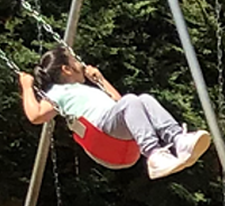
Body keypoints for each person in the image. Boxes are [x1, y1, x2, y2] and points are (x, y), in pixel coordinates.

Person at [19, 44, 211, 180]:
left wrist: (101, 80)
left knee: (144, 99)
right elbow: (36, 116)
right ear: (66, 69)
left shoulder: (84, 89)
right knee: (132, 100)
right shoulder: (57, 92)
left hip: (115, 131)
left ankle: (177, 139)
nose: (81, 64)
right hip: (102, 135)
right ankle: (154, 155)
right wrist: (27, 87)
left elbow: (120, 104)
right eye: (75, 61)